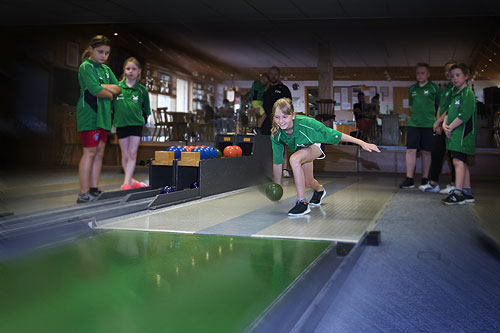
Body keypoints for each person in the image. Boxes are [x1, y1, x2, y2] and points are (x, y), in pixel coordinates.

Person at [271, 98, 380, 216]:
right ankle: (319, 190)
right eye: (277, 117)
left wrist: (362, 143)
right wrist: (277, 186)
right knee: (308, 182)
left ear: (292, 115)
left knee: (294, 159)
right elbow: (277, 162)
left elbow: (335, 134)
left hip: (315, 145)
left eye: (284, 117)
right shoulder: (276, 134)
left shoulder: (308, 124)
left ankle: (302, 203)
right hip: (301, 149)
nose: (281, 121)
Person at [76, 35, 121, 203]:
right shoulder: (86, 67)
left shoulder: (106, 70)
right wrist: (106, 92)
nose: (104, 55)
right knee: (90, 152)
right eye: (100, 52)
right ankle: (83, 193)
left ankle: (94, 189)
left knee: (100, 152)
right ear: (91, 49)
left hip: (103, 116)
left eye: (107, 53)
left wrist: (103, 88)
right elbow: (95, 91)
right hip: (89, 114)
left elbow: (119, 88)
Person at [400, 63, 441, 189]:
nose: (420, 75)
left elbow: (440, 106)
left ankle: (424, 179)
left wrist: (438, 122)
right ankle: (409, 179)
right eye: (418, 73)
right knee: (410, 150)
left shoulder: (434, 88)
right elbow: (411, 106)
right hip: (414, 124)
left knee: (426, 152)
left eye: (423, 73)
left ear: (428, 74)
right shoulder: (412, 89)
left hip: (429, 124)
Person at [419, 61, 457, 194]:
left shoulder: (457, 88)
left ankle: (455, 184)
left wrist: (440, 121)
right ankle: (433, 183)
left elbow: (452, 108)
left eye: (451, 70)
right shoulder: (446, 88)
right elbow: (442, 106)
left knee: (453, 156)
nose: (448, 72)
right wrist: (437, 122)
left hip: (453, 127)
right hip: (442, 125)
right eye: (446, 70)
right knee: (436, 153)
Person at [114, 57, 151, 190]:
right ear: (124, 70)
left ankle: (126, 183)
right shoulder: (117, 88)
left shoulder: (142, 90)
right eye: (128, 68)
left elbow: (147, 109)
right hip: (121, 124)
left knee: (132, 153)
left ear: (139, 71)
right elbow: (110, 105)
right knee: (125, 153)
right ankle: (131, 181)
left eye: (134, 69)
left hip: (136, 125)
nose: (131, 71)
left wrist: (144, 121)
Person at [441, 64, 476, 205]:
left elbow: (464, 115)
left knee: (458, 162)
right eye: (452, 75)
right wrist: (444, 124)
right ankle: (467, 192)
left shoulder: (468, 93)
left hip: (462, 135)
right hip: (453, 134)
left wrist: (449, 127)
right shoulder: (456, 94)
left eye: (458, 75)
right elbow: (449, 113)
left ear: (466, 76)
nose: (454, 78)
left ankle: (457, 193)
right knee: (462, 162)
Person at [262, 66, 292, 178]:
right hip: (267, 121)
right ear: (268, 75)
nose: (273, 76)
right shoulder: (266, 90)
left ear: (279, 75)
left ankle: (285, 168)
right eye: (271, 74)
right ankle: (269, 169)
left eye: (275, 74)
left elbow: (289, 106)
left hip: (281, 121)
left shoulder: (284, 89)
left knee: (282, 144)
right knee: (267, 144)